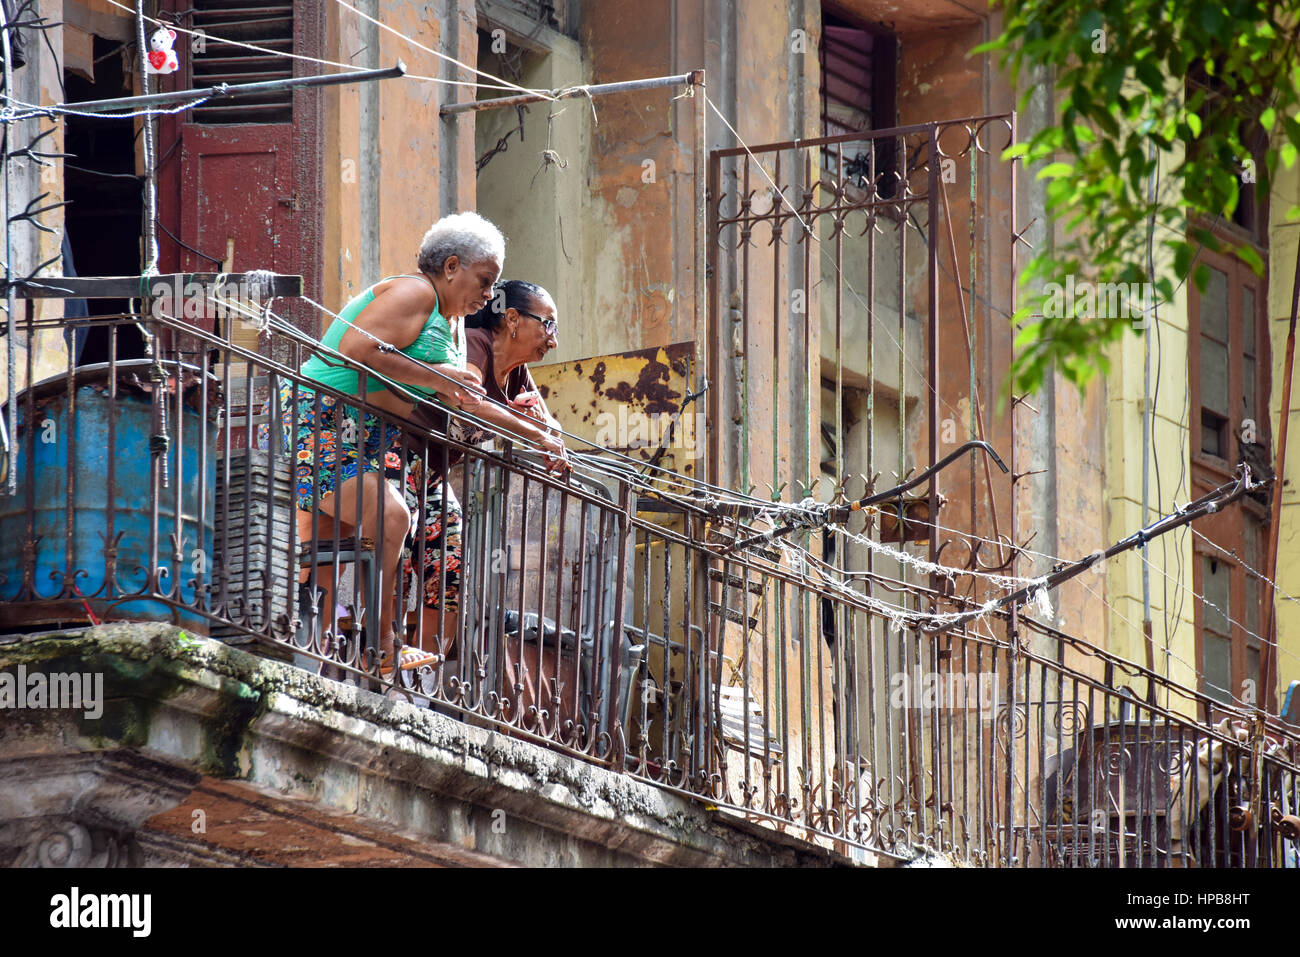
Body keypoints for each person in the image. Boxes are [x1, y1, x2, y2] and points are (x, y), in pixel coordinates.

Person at [281, 211, 501, 675]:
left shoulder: (449, 323)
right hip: (323, 421)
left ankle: (310, 665)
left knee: (330, 549)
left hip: (365, 436)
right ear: (451, 266)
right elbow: (357, 351)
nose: (488, 295)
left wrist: (535, 433)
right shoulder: (415, 292)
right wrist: (439, 378)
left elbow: (451, 396)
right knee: (391, 515)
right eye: (484, 280)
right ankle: (381, 647)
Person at [394, 278, 568, 661]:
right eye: (548, 325)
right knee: (399, 558)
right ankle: (384, 656)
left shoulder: (517, 372)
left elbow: (550, 424)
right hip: (399, 458)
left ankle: (420, 677)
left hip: (433, 475)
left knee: (451, 567)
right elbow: (468, 402)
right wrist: (531, 430)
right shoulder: (476, 342)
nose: (552, 340)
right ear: (512, 319)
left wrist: (548, 434)